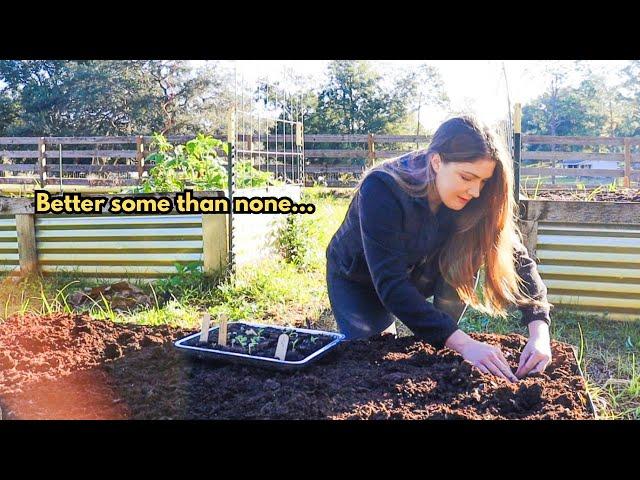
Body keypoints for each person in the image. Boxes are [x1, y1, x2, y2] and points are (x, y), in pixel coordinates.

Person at [325, 116, 552, 383]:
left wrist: (539, 333)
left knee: (439, 347)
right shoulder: (382, 188)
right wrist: (466, 345)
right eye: (467, 177)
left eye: (483, 181)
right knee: (375, 356)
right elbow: (391, 284)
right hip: (361, 279)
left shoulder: (473, 197)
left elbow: (519, 262)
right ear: (436, 161)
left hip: (424, 271)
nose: (475, 191)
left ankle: (441, 340)